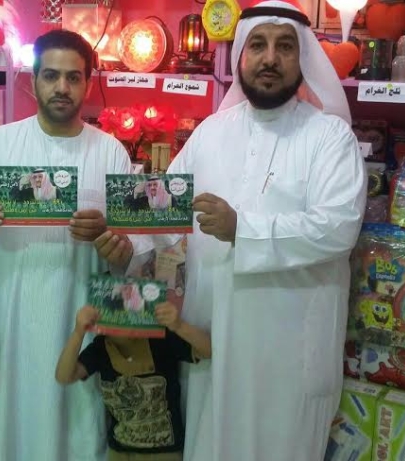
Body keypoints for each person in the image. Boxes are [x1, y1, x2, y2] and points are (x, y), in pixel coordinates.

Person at [97, 2, 366, 459]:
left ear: (301, 58)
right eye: (257, 45)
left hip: (287, 346)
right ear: (241, 54)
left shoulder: (330, 138)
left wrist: (243, 228)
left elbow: (338, 227)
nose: (270, 58)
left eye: (284, 47)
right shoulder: (211, 133)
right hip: (212, 335)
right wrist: (127, 244)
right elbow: (166, 207)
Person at [0, 29, 148, 461]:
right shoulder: (1, 142)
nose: (62, 87)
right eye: (51, 75)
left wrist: (115, 244)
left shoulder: (110, 153)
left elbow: (131, 253)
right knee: (8, 425)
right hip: (9, 320)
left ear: (88, 83)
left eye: (73, 77)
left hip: (79, 324)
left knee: (76, 424)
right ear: (32, 80)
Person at [55, 302, 212, 461]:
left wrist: (180, 326)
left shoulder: (162, 339)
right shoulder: (100, 348)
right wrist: (78, 332)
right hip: (120, 452)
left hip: (164, 452)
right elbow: (64, 376)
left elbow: (209, 350)